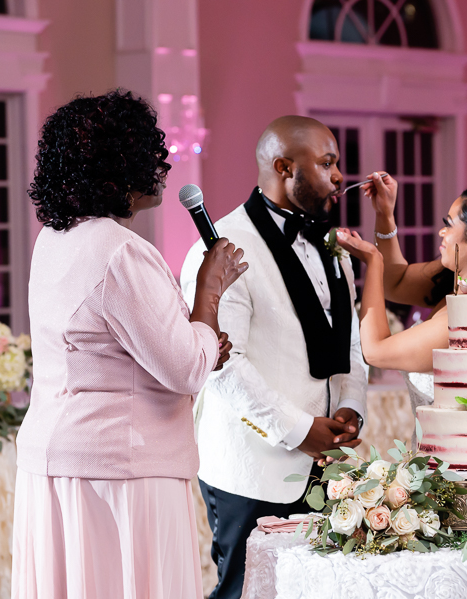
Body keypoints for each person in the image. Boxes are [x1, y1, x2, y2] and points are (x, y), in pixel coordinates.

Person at [11, 90, 247, 599]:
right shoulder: (119, 251)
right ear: (118, 167)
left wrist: (197, 341)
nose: (161, 165)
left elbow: (109, 347)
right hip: (120, 469)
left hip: (58, 459)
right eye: (149, 151)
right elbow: (185, 368)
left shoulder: (55, 238)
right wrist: (209, 288)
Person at [179, 115, 368, 599]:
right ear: (284, 167)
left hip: (327, 468)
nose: (339, 176)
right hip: (251, 467)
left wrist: (352, 408)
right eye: (327, 164)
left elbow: (351, 343)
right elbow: (221, 364)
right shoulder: (220, 246)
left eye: (338, 164)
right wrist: (299, 429)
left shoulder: (336, 248)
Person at [336, 178, 467, 412]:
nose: (441, 231)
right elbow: (395, 282)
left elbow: (375, 351)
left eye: (449, 224)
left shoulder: (465, 322)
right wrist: (385, 214)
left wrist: (373, 260)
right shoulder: (453, 280)